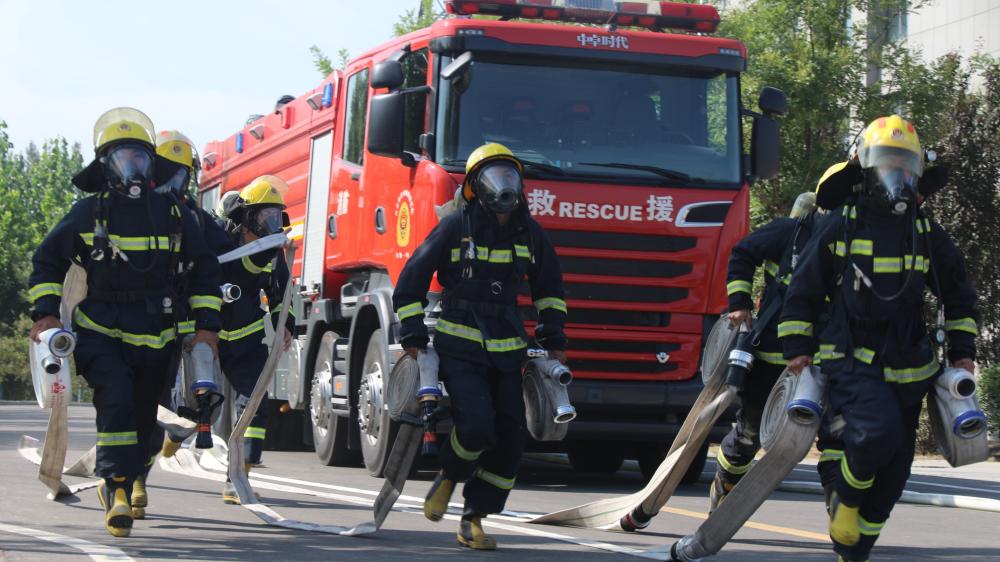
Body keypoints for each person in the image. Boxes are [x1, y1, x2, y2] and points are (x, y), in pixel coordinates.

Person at [779, 115, 978, 562]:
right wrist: (797, 348)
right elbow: (802, 291)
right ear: (866, 169)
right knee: (876, 433)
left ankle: (852, 551)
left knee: (893, 476)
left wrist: (963, 353)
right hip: (851, 356)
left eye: (905, 165)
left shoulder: (924, 232)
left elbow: (959, 295)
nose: (897, 174)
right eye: (888, 163)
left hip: (910, 363)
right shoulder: (840, 225)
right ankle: (845, 501)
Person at [28, 108, 222, 537]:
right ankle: (115, 488)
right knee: (115, 399)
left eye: (139, 157)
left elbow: (205, 271)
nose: (131, 167)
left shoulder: (175, 215)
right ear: (106, 165)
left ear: (151, 163)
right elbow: (46, 262)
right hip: (102, 329)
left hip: (159, 332)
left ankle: (130, 479)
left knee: (143, 415)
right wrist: (45, 313)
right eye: (122, 158)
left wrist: (206, 326)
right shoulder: (86, 214)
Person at [392, 143, 567, 550]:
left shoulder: (530, 233)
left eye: (509, 177)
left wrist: (553, 338)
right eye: (494, 177)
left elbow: (550, 289)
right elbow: (410, 282)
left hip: (507, 350)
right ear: (475, 187)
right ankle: (449, 477)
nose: (503, 186)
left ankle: (474, 517)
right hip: (460, 345)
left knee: (510, 438)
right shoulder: (455, 227)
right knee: (475, 428)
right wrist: (414, 334)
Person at [122, 130, 233, 519]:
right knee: (136, 405)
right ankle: (130, 479)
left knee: (183, 407)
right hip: (129, 326)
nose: (174, 183)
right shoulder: (127, 211)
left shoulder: (195, 219)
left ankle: (146, 465)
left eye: (180, 175)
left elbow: (226, 256)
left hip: (178, 327)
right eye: (168, 172)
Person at [711, 190, 818, 512]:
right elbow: (742, 252)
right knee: (749, 434)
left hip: (822, 356)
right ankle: (726, 487)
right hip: (773, 352)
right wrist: (739, 303)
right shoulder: (787, 232)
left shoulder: (849, 239)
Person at [213, 175, 294, 504]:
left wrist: (285, 324)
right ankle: (172, 439)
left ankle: (238, 478)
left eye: (276, 216)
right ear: (247, 217)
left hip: (246, 340)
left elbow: (281, 291)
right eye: (266, 216)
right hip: (207, 338)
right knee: (195, 409)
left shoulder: (272, 252)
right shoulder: (219, 241)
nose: (272, 224)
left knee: (255, 405)